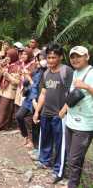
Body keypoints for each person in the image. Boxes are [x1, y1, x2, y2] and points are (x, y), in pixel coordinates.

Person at [33, 43, 73, 184]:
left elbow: (72, 92)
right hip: (46, 112)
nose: (50, 60)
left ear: (60, 57)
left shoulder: (66, 71)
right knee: (45, 138)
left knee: (60, 143)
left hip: (59, 114)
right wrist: (37, 111)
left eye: (53, 57)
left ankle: (59, 170)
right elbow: (43, 93)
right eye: (48, 57)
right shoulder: (46, 73)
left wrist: (64, 110)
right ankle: (44, 160)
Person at [58, 46, 93, 188]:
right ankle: (73, 183)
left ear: (87, 57)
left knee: (74, 160)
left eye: (79, 56)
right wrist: (64, 109)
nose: (75, 59)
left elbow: (83, 90)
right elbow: (73, 95)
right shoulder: (76, 73)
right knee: (72, 158)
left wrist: (87, 87)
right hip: (71, 122)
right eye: (72, 56)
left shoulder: (91, 73)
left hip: (85, 125)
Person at [16, 51, 46, 148]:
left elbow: (38, 87)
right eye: (37, 60)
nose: (38, 62)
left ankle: (34, 143)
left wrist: (29, 79)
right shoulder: (36, 70)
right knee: (19, 116)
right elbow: (28, 83)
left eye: (41, 60)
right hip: (29, 98)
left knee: (35, 123)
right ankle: (26, 137)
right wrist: (26, 78)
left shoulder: (46, 72)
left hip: (37, 99)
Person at [0, 49, 20, 133]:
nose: (7, 58)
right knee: (2, 108)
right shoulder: (7, 65)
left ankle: (4, 126)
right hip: (3, 89)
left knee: (8, 108)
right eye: (7, 56)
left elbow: (16, 81)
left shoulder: (17, 66)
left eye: (9, 56)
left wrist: (6, 74)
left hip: (10, 90)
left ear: (13, 56)